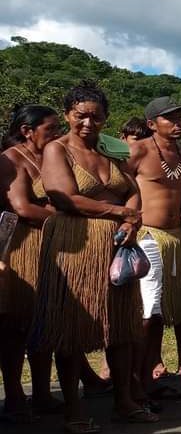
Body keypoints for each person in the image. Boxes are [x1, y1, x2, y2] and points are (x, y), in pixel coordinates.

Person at [36, 83, 156, 431]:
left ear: (105, 118)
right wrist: (119, 211)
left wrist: (132, 218)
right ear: (67, 116)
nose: (88, 123)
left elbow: (134, 191)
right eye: (80, 116)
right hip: (77, 242)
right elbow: (65, 198)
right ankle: (74, 408)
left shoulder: (111, 150)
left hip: (117, 245)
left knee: (120, 325)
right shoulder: (57, 150)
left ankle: (124, 401)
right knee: (72, 327)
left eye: (96, 117)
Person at [125, 97, 181, 396]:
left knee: (164, 312)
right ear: (152, 124)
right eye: (170, 118)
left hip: (176, 237)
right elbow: (118, 187)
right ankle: (134, 383)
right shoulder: (137, 150)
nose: (178, 122)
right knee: (149, 309)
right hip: (147, 235)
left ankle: (149, 378)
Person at [1, 105, 62, 422]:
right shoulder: (10, 160)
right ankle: (14, 396)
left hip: (52, 248)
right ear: (27, 130)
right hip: (23, 248)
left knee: (46, 322)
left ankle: (42, 393)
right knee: (16, 326)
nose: (56, 133)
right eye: (50, 128)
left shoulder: (51, 157)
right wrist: (66, 219)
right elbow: (23, 207)